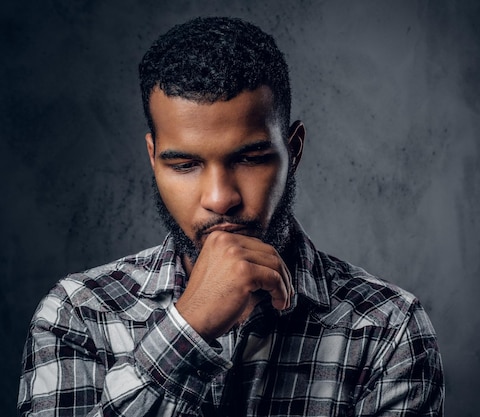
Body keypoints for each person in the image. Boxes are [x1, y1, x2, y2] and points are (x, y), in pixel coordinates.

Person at [18, 16, 444, 416]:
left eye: (251, 159)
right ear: (153, 158)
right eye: (184, 165)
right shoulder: (79, 313)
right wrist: (188, 328)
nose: (220, 199)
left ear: (293, 151)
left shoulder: (387, 327)